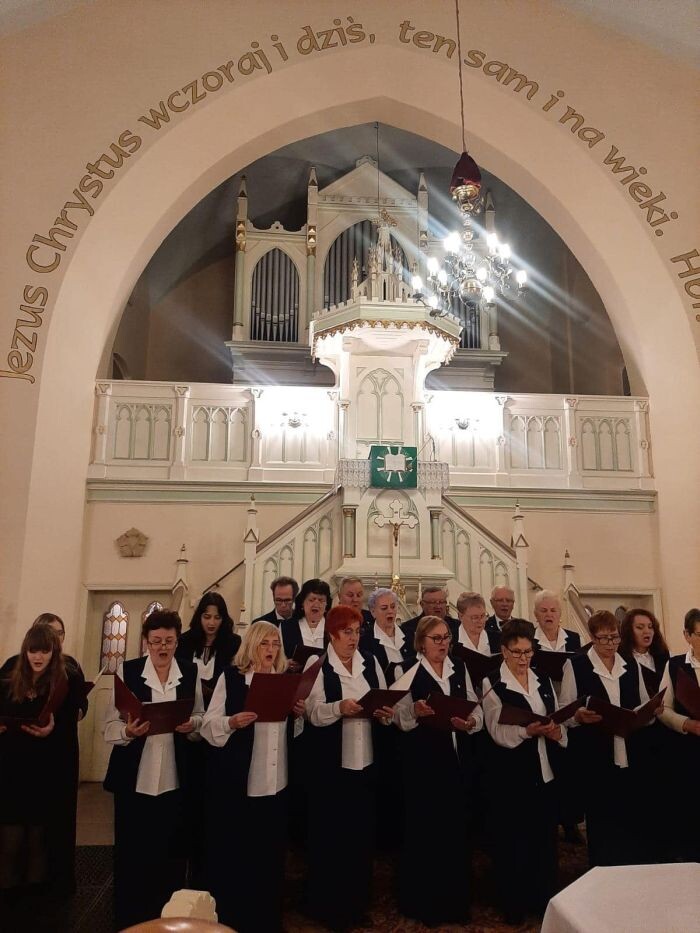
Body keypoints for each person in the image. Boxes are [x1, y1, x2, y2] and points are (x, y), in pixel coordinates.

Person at [103, 609, 204, 930]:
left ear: (177, 642)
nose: (163, 648)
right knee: (133, 854)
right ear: (146, 642)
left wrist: (192, 725)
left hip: (174, 778)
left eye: (169, 641)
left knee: (170, 855)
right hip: (135, 779)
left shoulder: (190, 671)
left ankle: (168, 919)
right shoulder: (129, 671)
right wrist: (127, 731)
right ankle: (131, 919)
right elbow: (109, 725)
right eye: (156, 641)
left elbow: (200, 716)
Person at [201, 621, 303, 932]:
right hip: (243, 780)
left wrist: (298, 713)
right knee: (241, 853)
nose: (271, 649)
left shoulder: (285, 680)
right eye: (265, 643)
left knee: (271, 855)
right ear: (251, 646)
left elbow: (293, 731)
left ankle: (267, 919)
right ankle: (237, 918)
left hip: (277, 779)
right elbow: (208, 724)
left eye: (275, 644)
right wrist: (232, 722)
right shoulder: (232, 678)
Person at [304, 606, 394, 930]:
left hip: (365, 761)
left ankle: (358, 904)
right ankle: (329, 906)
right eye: (347, 632)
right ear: (332, 634)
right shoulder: (318, 666)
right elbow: (312, 712)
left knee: (360, 837)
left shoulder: (370, 662)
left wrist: (385, 714)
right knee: (332, 838)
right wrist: (339, 708)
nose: (353, 638)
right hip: (331, 767)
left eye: (357, 632)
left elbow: (385, 702)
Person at [394, 614, 481, 926]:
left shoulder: (459, 668)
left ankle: (455, 902)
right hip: (423, 762)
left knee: (455, 831)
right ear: (421, 642)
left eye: (446, 638)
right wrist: (414, 711)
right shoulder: (406, 670)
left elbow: (475, 707)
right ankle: (426, 904)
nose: (443, 644)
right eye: (436, 639)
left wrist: (471, 722)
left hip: (456, 758)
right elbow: (396, 717)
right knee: (426, 833)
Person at [482, 619, 567, 925]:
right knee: (514, 841)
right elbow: (496, 730)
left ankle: (542, 899)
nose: (523, 658)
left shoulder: (542, 678)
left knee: (544, 839)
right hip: (511, 774)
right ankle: (514, 904)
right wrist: (526, 731)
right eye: (517, 652)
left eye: (528, 652)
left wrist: (557, 731)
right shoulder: (493, 683)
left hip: (543, 769)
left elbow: (556, 716)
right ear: (504, 651)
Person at [0, 624, 85, 915]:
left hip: (44, 767)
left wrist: (53, 728)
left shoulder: (64, 681)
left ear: (54, 652)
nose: (38, 657)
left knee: (38, 836)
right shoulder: (10, 676)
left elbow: (71, 722)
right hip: (12, 765)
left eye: (44, 651)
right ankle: (9, 899)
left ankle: (35, 905)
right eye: (32, 650)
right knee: (10, 836)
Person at [559, 610, 652, 867]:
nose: (611, 644)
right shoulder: (576, 665)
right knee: (601, 823)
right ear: (592, 637)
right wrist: (578, 716)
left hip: (630, 752)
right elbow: (565, 711)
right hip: (595, 756)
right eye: (604, 638)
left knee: (630, 819)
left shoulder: (630, 664)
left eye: (615, 637)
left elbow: (643, 703)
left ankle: (630, 871)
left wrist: (647, 713)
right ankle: (602, 871)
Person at [658, 608, 700, 862]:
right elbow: (663, 708)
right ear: (687, 635)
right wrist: (686, 724)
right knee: (691, 811)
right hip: (688, 750)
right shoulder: (674, 666)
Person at [0, 613, 89, 720]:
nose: (56, 637)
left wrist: (71, 715)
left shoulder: (71, 667)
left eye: (59, 633)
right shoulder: (13, 664)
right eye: (49, 632)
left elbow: (80, 706)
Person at [176, 593, 241, 700]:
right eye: (207, 617)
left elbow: (232, 677)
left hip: (220, 700)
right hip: (188, 699)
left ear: (223, 619)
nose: (211, 623)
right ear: (199, 617)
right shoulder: (184, 641)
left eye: (217, 617)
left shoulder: (232, 642)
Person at [360, 587, 414, 683]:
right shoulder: (365, 640)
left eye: (393, 607)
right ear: (373, 612)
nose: (390, 611)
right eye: (384, 608)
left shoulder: (409, 635)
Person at [280, 577, 332, 663]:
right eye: (311, 600)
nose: (316, 604)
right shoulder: (286, 627)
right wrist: (286, 664)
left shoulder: (333, 627)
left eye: (321, 600)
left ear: (327, 604)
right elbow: (278, 659)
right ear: (302, 602)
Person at [619, 607, 669, 694]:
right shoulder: (620, 657)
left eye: (650, 627)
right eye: (640, 627)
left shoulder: (662, 654)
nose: (647, 631)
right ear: (628, 631)